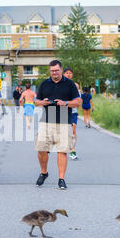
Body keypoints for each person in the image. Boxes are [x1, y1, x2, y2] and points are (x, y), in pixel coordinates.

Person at [34, 60, 82, 190]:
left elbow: (78, 102)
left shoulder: (70, 84)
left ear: (61, 70)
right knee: (41, 149)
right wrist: (42, 102)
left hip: (64, 119)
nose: (54, 73)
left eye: (56, 70)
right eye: (52, 71)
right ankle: (44, 172)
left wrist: (65, 103)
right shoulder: (44, 83)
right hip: (46, 120)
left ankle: (61, 178)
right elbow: (36, 101)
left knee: (62, 150)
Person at [63, 68, 80, 160]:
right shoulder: (60, 85)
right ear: (63, 74)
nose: (68, 74)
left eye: (70, 73)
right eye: (67, 73)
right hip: (62, 112)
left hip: (73, 112)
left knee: (73, 130)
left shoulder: (75, 86)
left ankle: (73, 150)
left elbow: (78, 100)